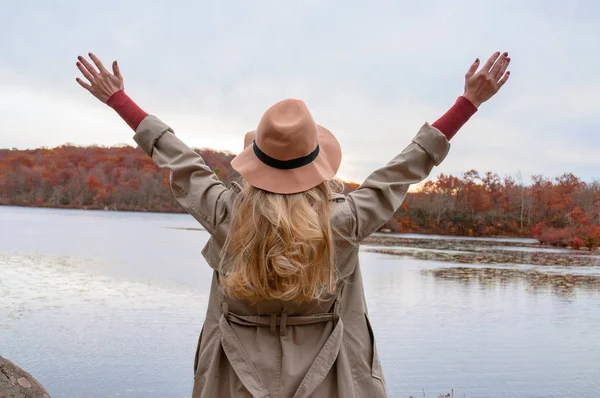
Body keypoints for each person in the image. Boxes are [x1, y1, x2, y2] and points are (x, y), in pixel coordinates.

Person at [75, 51, 510, 398]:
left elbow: (180, 161)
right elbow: (402, 170)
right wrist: (467, 104)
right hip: (332, 381)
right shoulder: (342, 221)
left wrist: (120, 100)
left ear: (254, 164)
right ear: (318, 166)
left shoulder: (228, 216)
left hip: (234, 382)